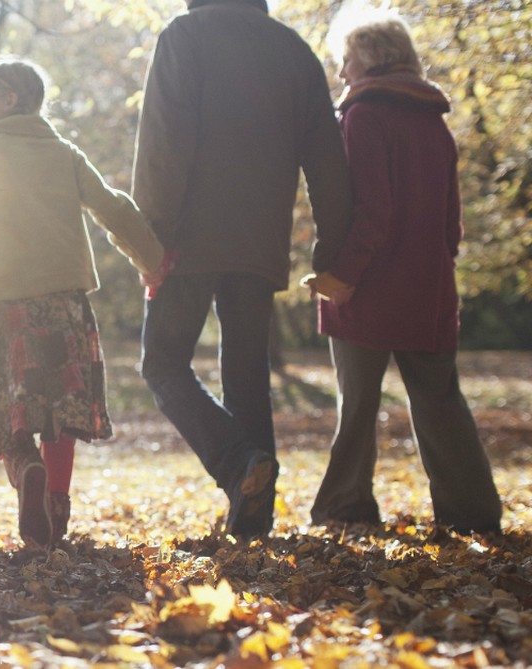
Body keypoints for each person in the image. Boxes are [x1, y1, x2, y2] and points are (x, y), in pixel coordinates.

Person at [0, 59, 165, 548]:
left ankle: (24, 465)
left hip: (6, 304)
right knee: (61, 406)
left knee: (7, 398)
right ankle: (55, 504)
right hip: (66, 303)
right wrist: (151, 259)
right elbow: (112, 206)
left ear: (9, 99)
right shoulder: (63, 151)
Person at [132, 0, 352, 539]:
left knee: (163, 362)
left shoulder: (185, 36)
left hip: (187, 241)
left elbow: (163, 143)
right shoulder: (293, 50)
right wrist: (331, 251)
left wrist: (150, 240)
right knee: (247, 376)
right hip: (260, 243)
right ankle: (253, 517)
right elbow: (328, 160)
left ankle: (238, 464)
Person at [306, 11, 502, 534]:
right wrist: (435, 273)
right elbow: (450, 225)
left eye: (345, 60)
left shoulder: (363, 117)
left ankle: (344, 507)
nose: (342, 72)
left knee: (358, 406)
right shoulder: (434, 124)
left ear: (368, 57)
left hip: (366, 286)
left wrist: (342, 277)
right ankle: (474, 514)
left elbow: (372, 212)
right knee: (441, 400)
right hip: (429, 288)